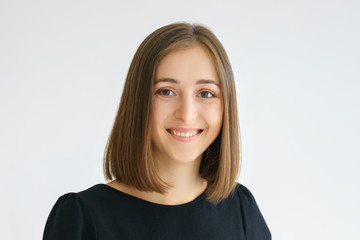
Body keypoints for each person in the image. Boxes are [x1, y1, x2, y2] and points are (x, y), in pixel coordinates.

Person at [43, 22, 271, 240]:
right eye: (166, 91)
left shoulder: (242, 210)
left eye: (205, 93)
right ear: (138, 101)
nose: (187, 113)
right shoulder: (82, 217)